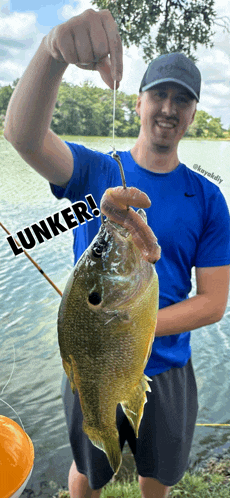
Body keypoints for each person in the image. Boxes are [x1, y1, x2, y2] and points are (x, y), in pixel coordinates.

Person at [4, 8, 230, 498]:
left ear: (193, 112)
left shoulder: (208, 198)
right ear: (138, 101)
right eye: (160, 94)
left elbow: (214, 303)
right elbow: (22, 136)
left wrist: (132, 324)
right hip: (89, 362)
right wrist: (51, 53)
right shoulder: (95, 171)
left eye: (182, 99)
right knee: (87, 467)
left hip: (168, 367)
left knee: (159, 475)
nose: (169, 108)